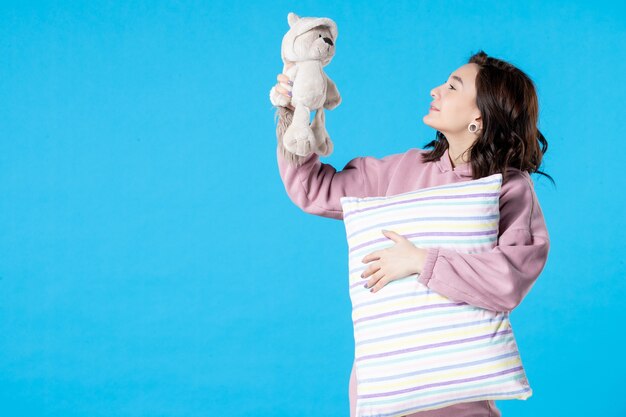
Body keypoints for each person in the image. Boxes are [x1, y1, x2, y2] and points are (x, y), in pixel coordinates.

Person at [271, 50, 552, 417]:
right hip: (382, 401)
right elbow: (313, 189)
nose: (435, 90)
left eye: (453, 87)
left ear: (478, 117)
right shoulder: (402, 170)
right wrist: (295, 115)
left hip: (461, 407)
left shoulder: (510, 188)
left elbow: (509, 279)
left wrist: (420, 261)